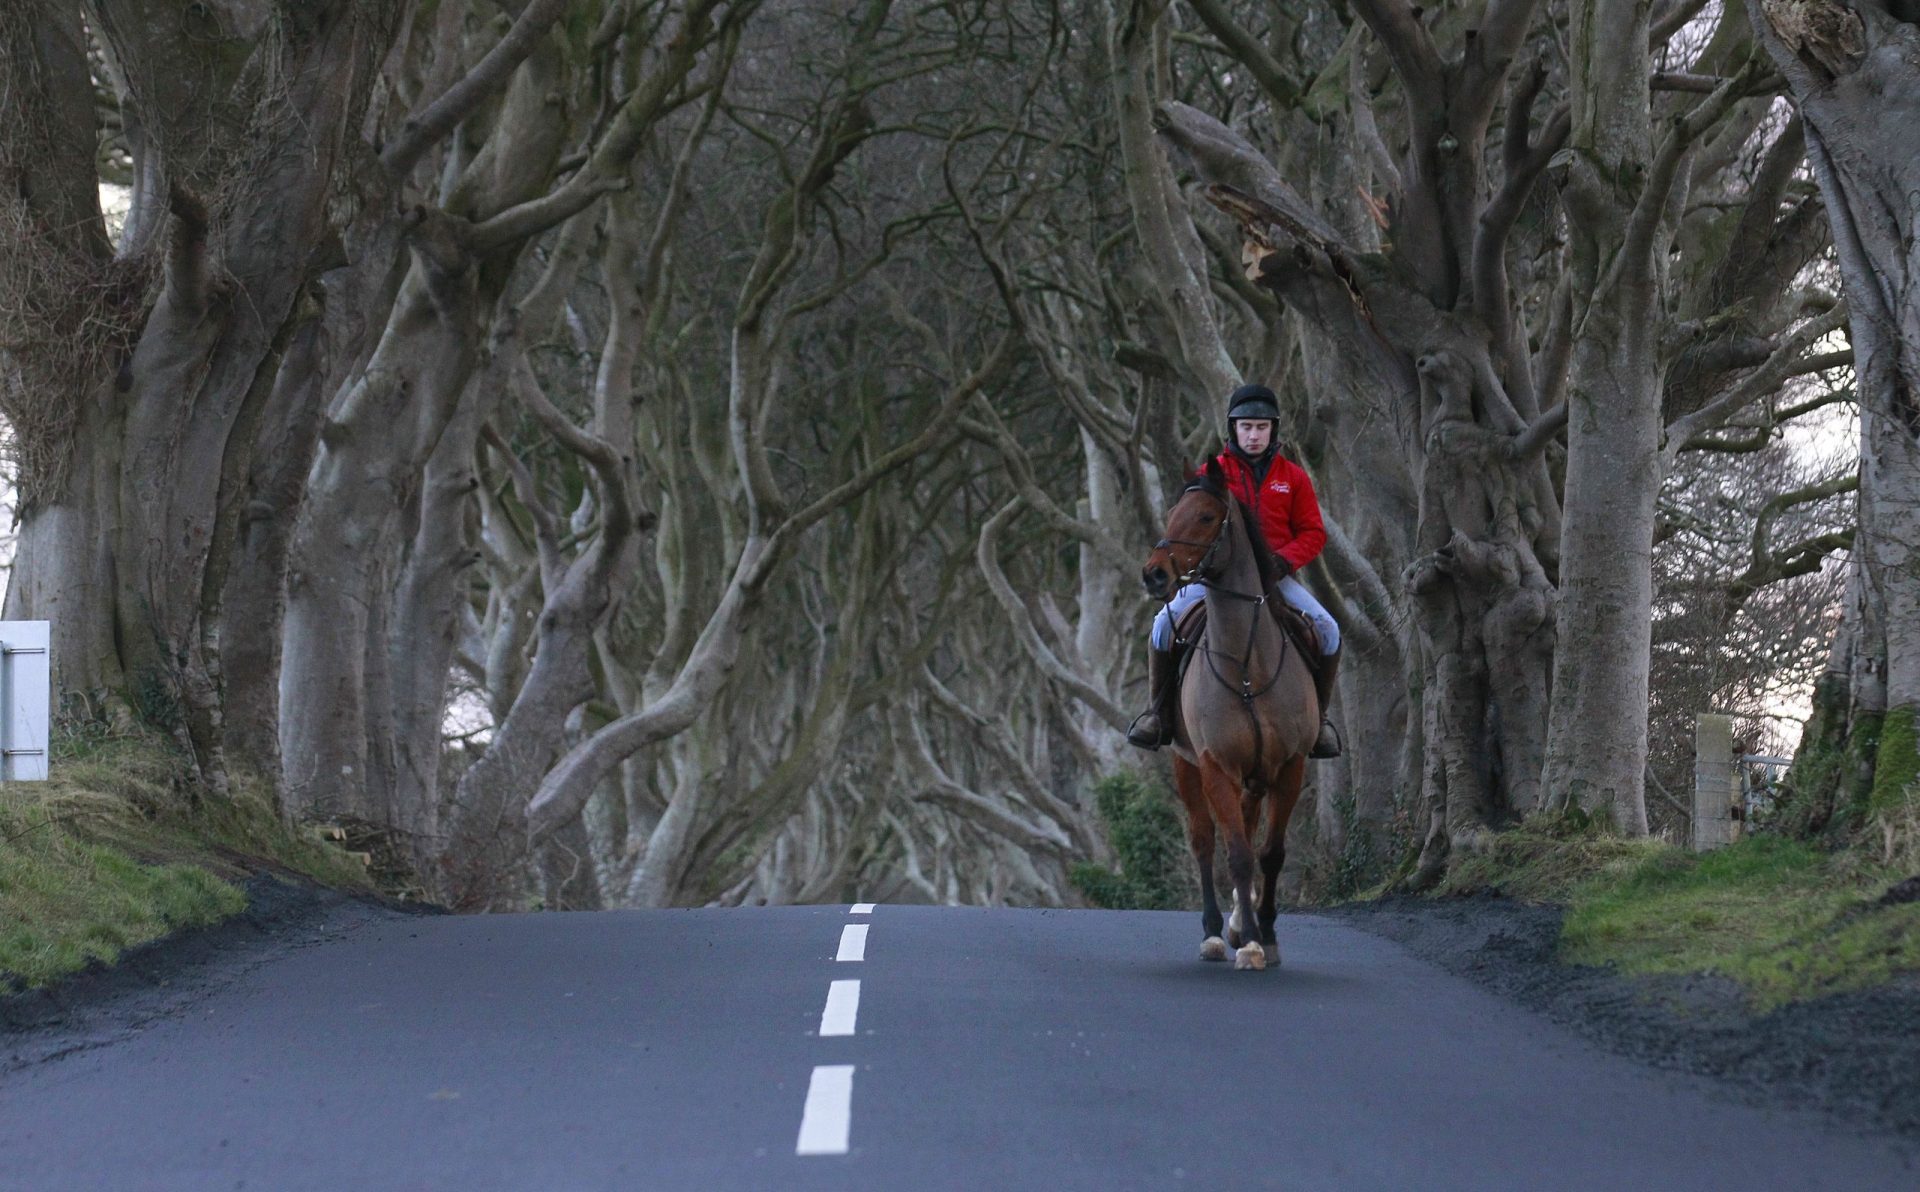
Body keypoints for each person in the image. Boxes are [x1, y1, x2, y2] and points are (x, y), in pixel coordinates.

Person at [1127, 383, 1343, 758]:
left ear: (1273, 429)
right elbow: (1186, 526)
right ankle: (1157, 713)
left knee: (1329, 630)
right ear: (1233, 429)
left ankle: (1319, 721)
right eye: (1246, 427)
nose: (1254, 434)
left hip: (1276, 579)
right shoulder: (1213, 475)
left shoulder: (1292, 477)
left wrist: (1285, 560)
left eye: (1261, 427)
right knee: (1163, 625)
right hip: (1215, 581)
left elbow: (1313, 532)